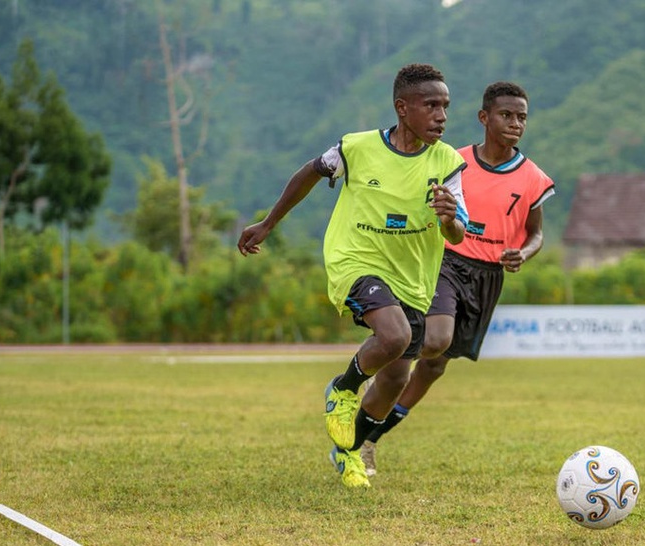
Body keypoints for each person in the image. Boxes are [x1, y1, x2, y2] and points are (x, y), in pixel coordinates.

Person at [237, 63, 468, 488]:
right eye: (431, 105)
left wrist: (450, 218)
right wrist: (269, 223)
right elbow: (310, 172)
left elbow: (458, 231)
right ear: (403, 108)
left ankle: (348, 452)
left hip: (414, 279)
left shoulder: (448, 162)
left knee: (396, 377)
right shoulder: (356, 148)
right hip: (356, 262)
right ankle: (343, 389)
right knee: (394, 336)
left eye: (446, 106)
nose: (442, 115)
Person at [359, 81, 555, 476]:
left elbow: (536, 232)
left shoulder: (533, 177)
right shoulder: (453, 162)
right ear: (484, 118)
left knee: (434, 366)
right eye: (506, 115)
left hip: (488, 276)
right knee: (434, 339)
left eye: (521, 117)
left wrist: (525, 252)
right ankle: (378, 362)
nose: (515, 123)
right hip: (446, 260)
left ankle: (369, 437)